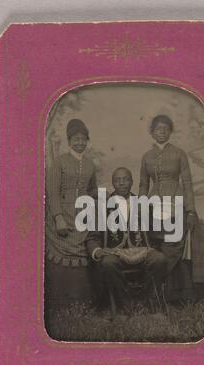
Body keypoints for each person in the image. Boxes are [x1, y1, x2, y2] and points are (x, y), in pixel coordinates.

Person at [86, 167, 168, 311]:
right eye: (117, 180)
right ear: (113, 183)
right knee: (108, 263)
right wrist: (97, 251)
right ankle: (123, 307)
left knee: (159, 259)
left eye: (125, 179)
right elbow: (93, 236)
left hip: (142, 252)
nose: (122, 183)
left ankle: (146, 303)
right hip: (114, 253)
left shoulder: (143, 204)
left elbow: (155, 232)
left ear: (131, 182)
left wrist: (154, 247)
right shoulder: (102, 206)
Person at [45, 118, 97, 333]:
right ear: (69, 141)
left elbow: (92, 190)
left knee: (80, 256)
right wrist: (58, 218)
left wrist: (93, 204)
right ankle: (59, 306)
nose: (79, 143)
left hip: (81, 215)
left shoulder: (91, 164)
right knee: (61, 259)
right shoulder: (59, 162)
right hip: (62, 216)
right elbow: (52, 192)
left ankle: (79, 305)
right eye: (75, 139)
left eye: (83, 139)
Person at [139, 114, 198, 300]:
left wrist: (190, 210)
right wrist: (141, 207)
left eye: (165, 128)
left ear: (170, 131)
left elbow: (187, 183)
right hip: (153, 208)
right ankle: (159, 295)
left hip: (176, 206)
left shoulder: (179, 153)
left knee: (173, 249)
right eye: (158, 129)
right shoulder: (146, 156)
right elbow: (143, 185)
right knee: (157, 249)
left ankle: (155, 291)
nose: (162, 132)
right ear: (151, 132)